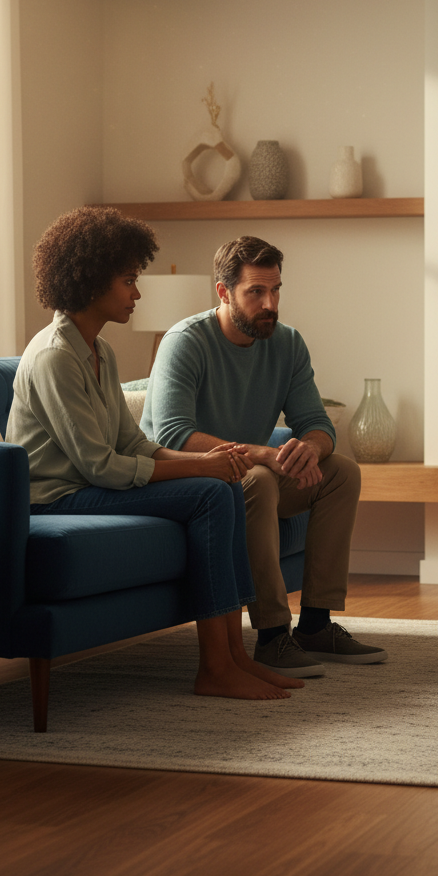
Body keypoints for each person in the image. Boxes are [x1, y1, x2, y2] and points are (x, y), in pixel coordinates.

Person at [7, 208, 302, 701]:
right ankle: (214, 668)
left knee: (224, 484)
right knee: (210, 493)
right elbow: (100, 466)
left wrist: (213, 465)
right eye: (128, 281)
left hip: (91, 487)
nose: (137, 293)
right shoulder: (54, 356)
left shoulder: (100, 351)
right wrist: (198, 466)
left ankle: (235, 657)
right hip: (58, 498)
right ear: (91, 279)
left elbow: (134, 445)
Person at [142, 235, 385, 677]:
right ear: (223, 292)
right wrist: (265, 455)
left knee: (342, 472)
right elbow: (174, 435)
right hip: (186, 477)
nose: (269, 302)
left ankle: (315, 624)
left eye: (275, 290)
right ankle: (273, 637)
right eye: (255, 291)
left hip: (253, 470)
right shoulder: (185, 341)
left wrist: (307, 448)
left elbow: (318, 423)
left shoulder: (287, 344)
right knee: (260, 478)